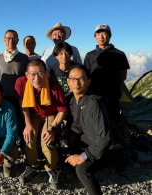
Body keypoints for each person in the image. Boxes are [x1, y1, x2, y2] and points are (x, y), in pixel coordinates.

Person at [65, 65, 124, 195]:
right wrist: (73, 134)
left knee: (82, 169)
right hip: (92, 140)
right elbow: (78, 121)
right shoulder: (73, 101)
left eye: (81, 79)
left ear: (88, 82)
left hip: (111, 148)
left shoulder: (94, 104)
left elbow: (105, 138)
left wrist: (83, 156)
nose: (76, 82)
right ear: (68, 82)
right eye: (73, 79)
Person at [14, 59, 67, 189]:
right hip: (33, 114)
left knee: (47, 140)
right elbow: (23, 104)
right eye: (32, 74)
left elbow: (62, 110)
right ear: (26, 75)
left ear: (46, 73)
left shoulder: (54, 86)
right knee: (28, 137)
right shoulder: (21, 83)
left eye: (40, 73)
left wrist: (53, 128)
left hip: (50, 114)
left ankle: (53, 169)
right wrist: (27, 123)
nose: (36, 78)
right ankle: (32, 165)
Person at [83, 24, 130, 133]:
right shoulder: (89, 55)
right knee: (97, 119)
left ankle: (116, 143)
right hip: (94, 94)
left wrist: (112, 85)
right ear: (95, 36)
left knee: (113, 119)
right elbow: (86, 75)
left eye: (104, 33)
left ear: (110, 36)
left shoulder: (119, 54)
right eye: (98, 34)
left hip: (113, 94)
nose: (101, 36)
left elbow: (123, 75)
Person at [0, 29, 29, 142]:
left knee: (20, 121)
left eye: (13, 38)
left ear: (17, 40)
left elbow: (28, 78)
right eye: (8, 38)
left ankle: (23, 144)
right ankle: (5, 145)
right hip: (3, 96)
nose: (10, 40)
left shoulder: (23, 58)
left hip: (19, 97)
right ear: (4, 40)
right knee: (4, 121)